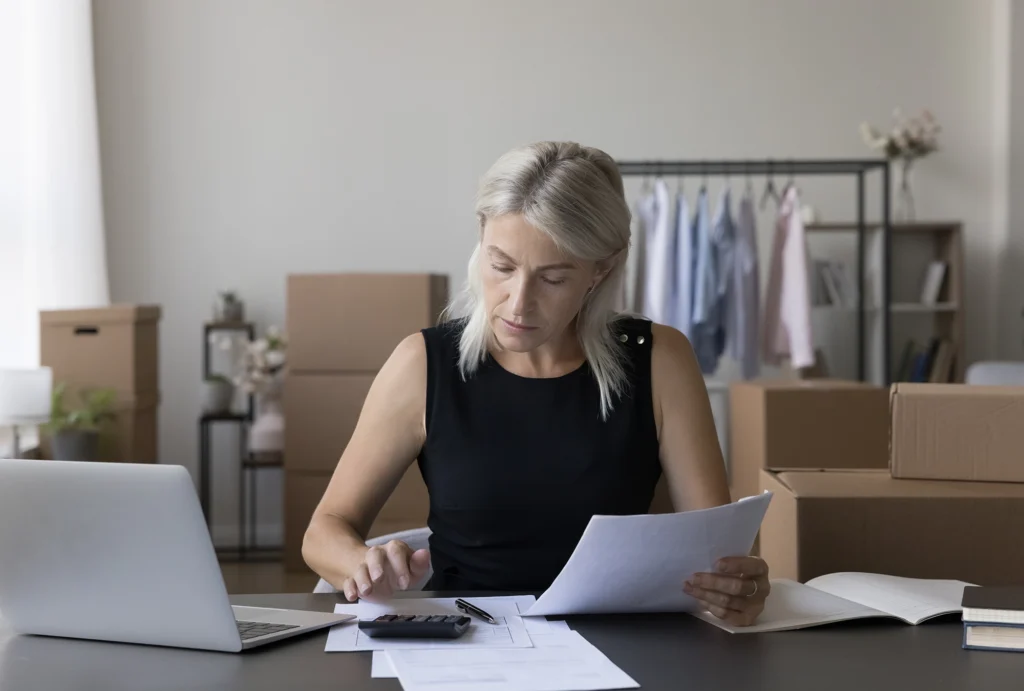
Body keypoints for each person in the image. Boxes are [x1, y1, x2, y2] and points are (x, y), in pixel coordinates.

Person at [302, 141, 771, 627]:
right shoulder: (422, 364)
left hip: (625, 643)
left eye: (552, 279)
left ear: (601, 269)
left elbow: (719, 551)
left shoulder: (660, 361)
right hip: (468, 643)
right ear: (481, 237)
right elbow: (324, 532)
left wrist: (740, 584)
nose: (518, 303)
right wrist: (360, 563)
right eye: (501, 266)